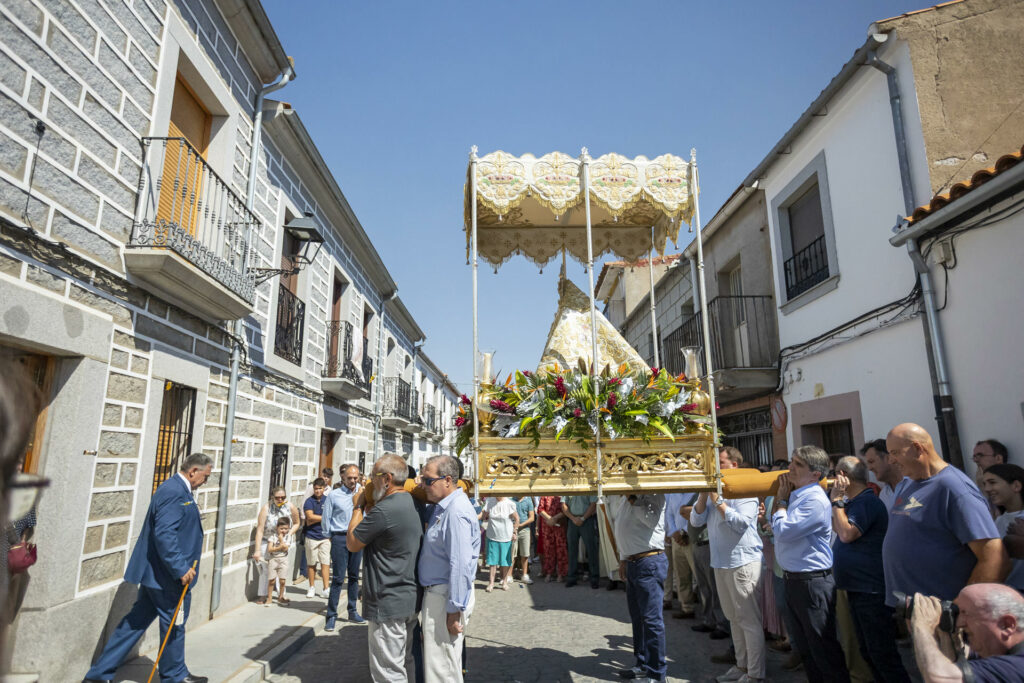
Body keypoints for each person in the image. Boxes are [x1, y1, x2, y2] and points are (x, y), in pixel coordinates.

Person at [84, 453, 212, 683]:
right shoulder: (174, 491)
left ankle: (98, 675)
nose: (206, 482)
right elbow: (164, 534)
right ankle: (174, 676)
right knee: (174, 624)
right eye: (205, 477)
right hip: (168, 577)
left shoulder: (177, 490)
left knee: (134, 624)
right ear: (193, 471)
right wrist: (180, 568)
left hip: (156, 576)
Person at [884, 423, 1008, 606]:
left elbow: (995, 559)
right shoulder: (909, 484)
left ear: (918, 448)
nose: (890, 461)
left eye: (895, 453)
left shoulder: (955, 488)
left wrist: (959, 609)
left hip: (943, 616)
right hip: (914, 611)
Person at [830, 456, 910, 683]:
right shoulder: (853, 502)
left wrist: (836, 501)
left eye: (835, 474)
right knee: (868, 651)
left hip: (870, 589)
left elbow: (845, 534)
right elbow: (839, 527)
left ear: (843, 476)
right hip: (856, 587)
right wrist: (839, 503)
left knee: (882, 654)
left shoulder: (867, 502)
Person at [772, 445, 849, 683]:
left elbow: (784, 531)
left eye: (797, 464)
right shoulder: (800, 495)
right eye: (792, 462)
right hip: (797, 580)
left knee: (823, 649)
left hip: (811, 582)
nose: (790, 468)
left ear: (816, 474)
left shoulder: (814, 500)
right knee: (807, 650)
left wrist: (782, 503)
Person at [347, 454, 424, 682]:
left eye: (373, 477)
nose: (370, 482)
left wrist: (357, 507)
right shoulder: (414, 503)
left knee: (388, 671)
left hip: (387, 600)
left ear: (387, 479)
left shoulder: (384, 510)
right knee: (405, 661)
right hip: (409, 597)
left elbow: (352, 543)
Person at [692, 447, 765, 683]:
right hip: (721, 562)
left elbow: (741, 524)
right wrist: (704, 496)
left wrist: (719, 503)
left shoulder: (745, 489)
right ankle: (742, 666)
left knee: (748, 620)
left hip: (743, 561)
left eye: (721, 463)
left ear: (735, 464)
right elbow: (695, 520)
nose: (716, 468)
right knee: (733, 618)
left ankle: (755, 674)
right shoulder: (715, 488)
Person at [417, 455, 480, 683]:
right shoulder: (441, 507)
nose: (423, 484)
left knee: (442, 668)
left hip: (445, 597)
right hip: (439, 594)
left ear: (448, 480)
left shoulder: (455, 512)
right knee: (439, 664)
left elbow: (461, 564)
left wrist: (454, 610)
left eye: (428, 480)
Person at [910, 583, 1024, 682]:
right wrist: (946, 635)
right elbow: (958, 659)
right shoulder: (1002, 652)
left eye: (965, 613)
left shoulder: (1016, 665)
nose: (959, 623)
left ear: (1007, 625)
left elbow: (941, 678)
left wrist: (922, 626)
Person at [615, 494, 668, 683]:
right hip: (633, 561)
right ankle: (643, 664)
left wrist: (633, 499)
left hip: (649, 561)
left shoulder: (654, 494)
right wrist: (623, 558)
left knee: (652, 620)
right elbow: (623, 525)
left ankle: (657, 674)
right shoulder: (625, 495)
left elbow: (651, 520)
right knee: (638, 619)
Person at [323, 464, 364, 627]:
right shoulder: (334, 495)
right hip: (339, 537)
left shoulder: (363, 493)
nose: (353, 481)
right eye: (350, 478)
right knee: (339, 578)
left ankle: (352, 611)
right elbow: (327, 516)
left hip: (357, 537)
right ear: (343, 478)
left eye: (356, 477)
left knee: (354, 577)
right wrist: (329, 536)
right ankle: (331, 615)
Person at [979, 463, 1024, 591]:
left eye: (992, 482)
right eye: (984, 484)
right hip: (1009, 592)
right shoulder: (998, 521)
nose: (987, 489)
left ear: (1016, 486)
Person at [252, 486, 300, 605]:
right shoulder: (266, 508)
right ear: (272, 497)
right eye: (277, 498)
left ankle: (281, 595)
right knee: (265, 570)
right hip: (267, 541)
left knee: (280, 570)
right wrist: (257, 550)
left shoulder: (290, 507)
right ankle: (263, 595)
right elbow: (260, 529)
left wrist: (288, 534)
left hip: (283, 543)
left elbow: (297, 523)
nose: (280, 500)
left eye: (283, 497)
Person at [664, 492, 697, 617]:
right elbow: (669, 514)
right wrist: (674, 532)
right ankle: (686, 607)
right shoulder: (674, 493)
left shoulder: (695, 493)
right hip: (677, 538)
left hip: (692, 537)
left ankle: (710, 613)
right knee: (681, 574)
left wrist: (686, 533)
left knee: (699, 576)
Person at [859, 440, 909, 513]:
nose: (869, 468)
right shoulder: (883, 494)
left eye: (871, 462)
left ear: (888, 458)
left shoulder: (916, 485)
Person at [563, 495, 600, 588]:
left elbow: (593, 504)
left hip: (587, 520)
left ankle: (594, 578)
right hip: (572, 521)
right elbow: (563, 505)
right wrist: (573, 518)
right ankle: (572, 577)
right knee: (572, 550)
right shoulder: (569, 486)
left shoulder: (588, 485)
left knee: (591, 550)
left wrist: (583, 518)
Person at [481, 496, 518, 592]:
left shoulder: (509, 503)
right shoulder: (489, 501)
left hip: (506, 536)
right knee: (492, 562)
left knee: (505, 561)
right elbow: (484, 516)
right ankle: (491, 583)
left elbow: (517, 518)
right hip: (492, 535)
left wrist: (515, 531)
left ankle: (504, 582)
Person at [303, 478, 330, 599]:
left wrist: (315, 518)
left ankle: (326, 588)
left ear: (324, 488)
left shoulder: (328, 500)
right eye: (316, 489)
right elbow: (309, 516)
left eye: (320, 488)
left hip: (325, 536)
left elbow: (332, 515)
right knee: (311, 563)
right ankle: (312, 587)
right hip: (312, 536)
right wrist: (325, 517)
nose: (318, 491)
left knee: (325, 563)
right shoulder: (309, 501)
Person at [537, 495, 567, 582]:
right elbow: (540, 509)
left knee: (561, 549)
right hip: (547, 525)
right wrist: (549, 518)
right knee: (549, 549)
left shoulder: (562, 495)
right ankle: (550, 572)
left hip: (559, 524)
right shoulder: (545, 495)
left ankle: (561, 573)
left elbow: (565, 509)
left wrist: (555, 518)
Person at [266, 517, 293, 605]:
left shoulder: (289, 536)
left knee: (282, 580)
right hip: (273, 559)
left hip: (283, 559)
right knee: (272, 580)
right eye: (281, 529)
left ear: (289, 528)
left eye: (286, 529)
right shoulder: (272, 537)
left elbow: (285, 548)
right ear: (277, 527)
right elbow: (269, 549)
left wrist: (281, 540)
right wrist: (278, 547)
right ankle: (269, 598)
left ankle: (280, 597)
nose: (283, 531)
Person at [511, 496, 535, 584]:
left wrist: (521, 525)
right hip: (512, 528)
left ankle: (524, 575)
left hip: (525, 529)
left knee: (525, 554)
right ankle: (509, 575)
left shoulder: (528, 500)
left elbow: (532, 517)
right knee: (512, 553)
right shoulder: (511, 500)